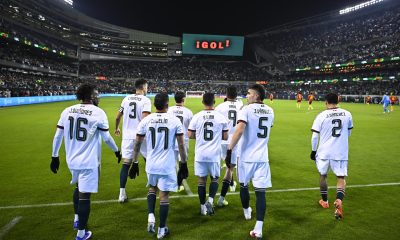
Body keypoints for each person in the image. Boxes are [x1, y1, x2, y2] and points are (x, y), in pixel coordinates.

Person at [51, 83, 121, 240]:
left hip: (72, 160)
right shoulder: (98, 113)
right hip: (89, 162)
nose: (98, 96)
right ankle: (81, 233)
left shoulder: (67, 111)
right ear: (91, 96)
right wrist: (117, 151)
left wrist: (54, 156)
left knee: (78, 187)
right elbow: (107, 138)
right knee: (85, 196)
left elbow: (57, 136)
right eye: (96, 93)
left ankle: (77, 219)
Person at [130, 93, 188, 239]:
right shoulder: (174, 121)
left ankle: (150, 216)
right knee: (164, 196)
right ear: (167, 104)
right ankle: (162, 229)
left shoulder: (146, 120)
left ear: (155, 104)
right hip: (167, 165)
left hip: (151, 163)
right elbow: (181, 144)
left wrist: (135, 161)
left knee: (152, 188)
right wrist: (183, 163)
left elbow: (137, 142)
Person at [225, 84, 274, 239]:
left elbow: (239, 130)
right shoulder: (270, 111)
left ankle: (246, 212)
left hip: (246, 157)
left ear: (257, 96)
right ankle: (258, 229)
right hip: (262, 158)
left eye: (249, 93)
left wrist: (229, 149)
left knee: (243, 185)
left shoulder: (245, 110)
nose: (246, 96)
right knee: (261, 193)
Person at [310, 93, 353, 220]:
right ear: (338, 100)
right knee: (340, 177)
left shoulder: (321, 115)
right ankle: (339, 200)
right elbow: (349, 132)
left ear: (326, 102)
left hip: (324, 152)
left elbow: (314, 136)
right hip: (340, 152)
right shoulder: (347, 114)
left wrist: (313, 151)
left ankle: (325, 201)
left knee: (323, 175)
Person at [188, 92, 228, 216]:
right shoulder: (221, 117)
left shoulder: (197, 116)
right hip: (214, 154)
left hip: (200, 153)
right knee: (215, 178)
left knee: (201, 181)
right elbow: (225, 136)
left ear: (202, 101)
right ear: (214, 101)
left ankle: (202, 206)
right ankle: (210, 200)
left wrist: (199, 136)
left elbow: (190, 135)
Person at [115, 79, 151, 203]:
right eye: (147, 87)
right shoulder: (146, 100)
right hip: (141, 136)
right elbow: (145, 119)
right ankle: (152, 188)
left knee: (126, 164)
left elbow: (117, 116)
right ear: (143, 87)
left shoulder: (126, 99)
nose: (147, 89)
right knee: (149, 160)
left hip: (127, 137)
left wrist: (117, 128)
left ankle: (121, 194)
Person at [215, 86, 243, 207]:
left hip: (222, 139)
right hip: (235, 140)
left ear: (226, 94)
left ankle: (231, 184)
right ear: (237, 95)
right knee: (230, 168)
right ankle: (222, 198)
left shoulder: (220, 107)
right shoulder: (241, 106)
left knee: (227, 164)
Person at [167, 91, 193, 192]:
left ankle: (171, 183)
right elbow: (191, 128)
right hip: (183, 140)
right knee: (183, 163)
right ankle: (178, 184)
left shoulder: (169, 110)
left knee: (171, 163)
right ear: (183, 99)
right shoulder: (188, 112)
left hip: (171, 140)